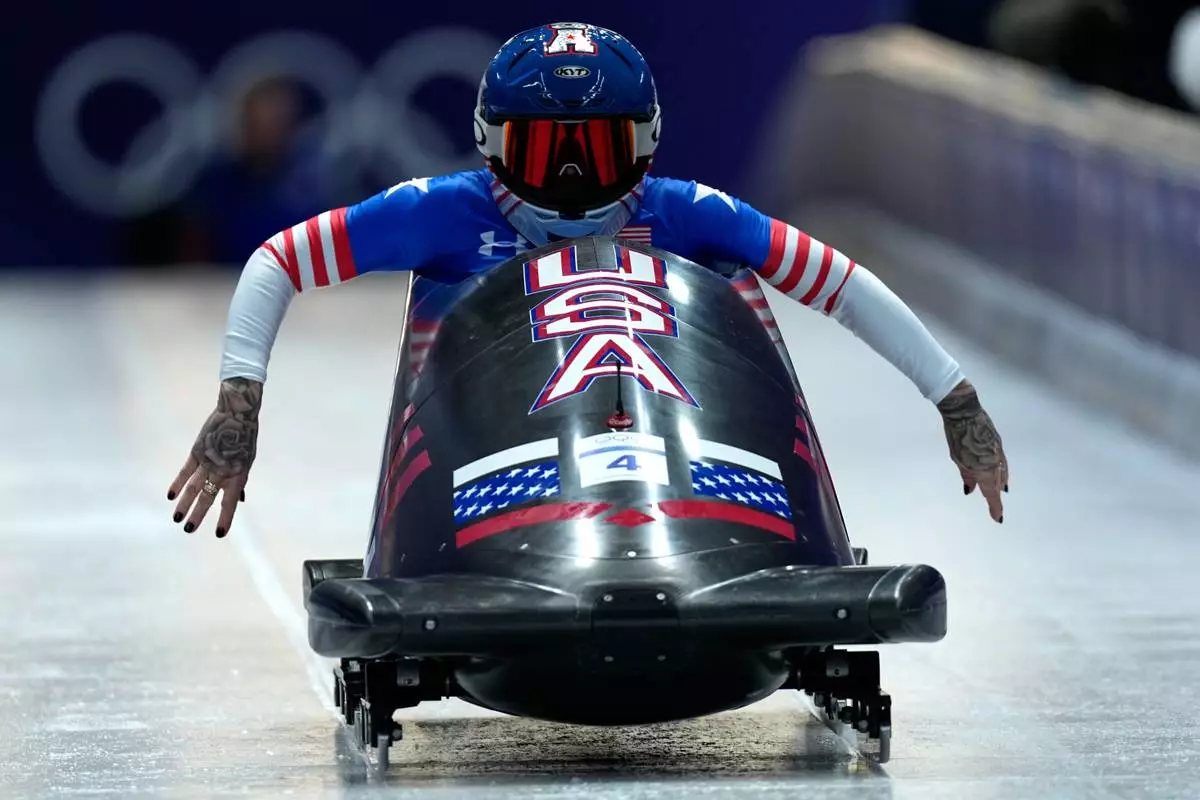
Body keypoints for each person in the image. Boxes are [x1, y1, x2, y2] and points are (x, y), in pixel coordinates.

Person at [167, 22, 1010, 538]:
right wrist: (238, 406)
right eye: (545, 150)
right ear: (495, 144)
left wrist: (956, 398)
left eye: (595, 150)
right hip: (495, 460)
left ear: (640, 145)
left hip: (681, 448)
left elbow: (832, 280)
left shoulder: (690, 214)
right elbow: (276, 260)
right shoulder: (444, 212)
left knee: (741, 292)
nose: (571, 177)